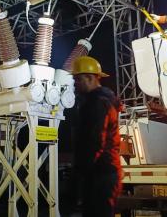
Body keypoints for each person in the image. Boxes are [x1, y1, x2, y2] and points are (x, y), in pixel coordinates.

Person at [71, 56, 122, 217]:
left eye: (78, 79)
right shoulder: (102, 100)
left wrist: (80, 171)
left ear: (90, 78)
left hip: (100, 172)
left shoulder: (97, 103)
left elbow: (94, 141)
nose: (75, 84)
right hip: (104, 171)